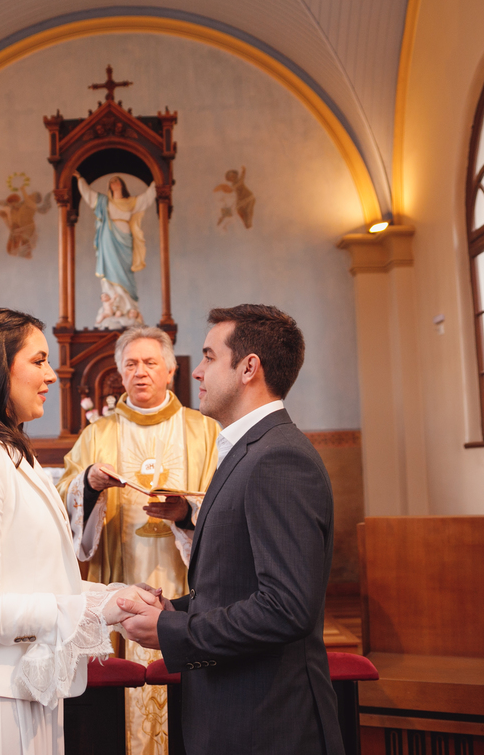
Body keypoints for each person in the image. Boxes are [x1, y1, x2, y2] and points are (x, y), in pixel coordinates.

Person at [0, 308, 158, 755]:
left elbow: (36, 578)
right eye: (38, 360)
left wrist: (114, 597)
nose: (52, 375)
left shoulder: (8, 451)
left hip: (22, 681)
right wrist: (93, 613)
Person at [118, 305, 343, 755]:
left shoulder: (279, 459)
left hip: (268, 722)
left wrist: (173, 631)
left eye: (208, 357)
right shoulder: (247, 450)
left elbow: (285, 608)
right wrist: (173, 607)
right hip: (234, 711)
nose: (196, 371)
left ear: (249, 368)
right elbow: (235, 584)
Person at [58, 325, 221, 755]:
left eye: (151, 363)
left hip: (185, 588)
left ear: (170, 370)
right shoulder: (98, 434)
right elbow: (65, 497)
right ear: (118, 373)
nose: (141, 372)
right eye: (131, 364)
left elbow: (227, 505)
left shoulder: (203, 431)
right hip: (119, 579)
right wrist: (89, 485)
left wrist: (186, 514)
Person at [75, 170, 157, 328]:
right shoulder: (104, 202)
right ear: (110, 186)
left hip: (125, 240)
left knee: (126, 273)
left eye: (117, 181)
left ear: (122, 185)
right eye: (112, 182)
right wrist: (80, 179)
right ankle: (114, 309)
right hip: (108, 241)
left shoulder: (130, 202)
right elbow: (89, 195)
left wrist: (156, 182)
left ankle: (129, 308)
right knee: (109, 272)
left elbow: (146, 199)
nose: (114, 183)